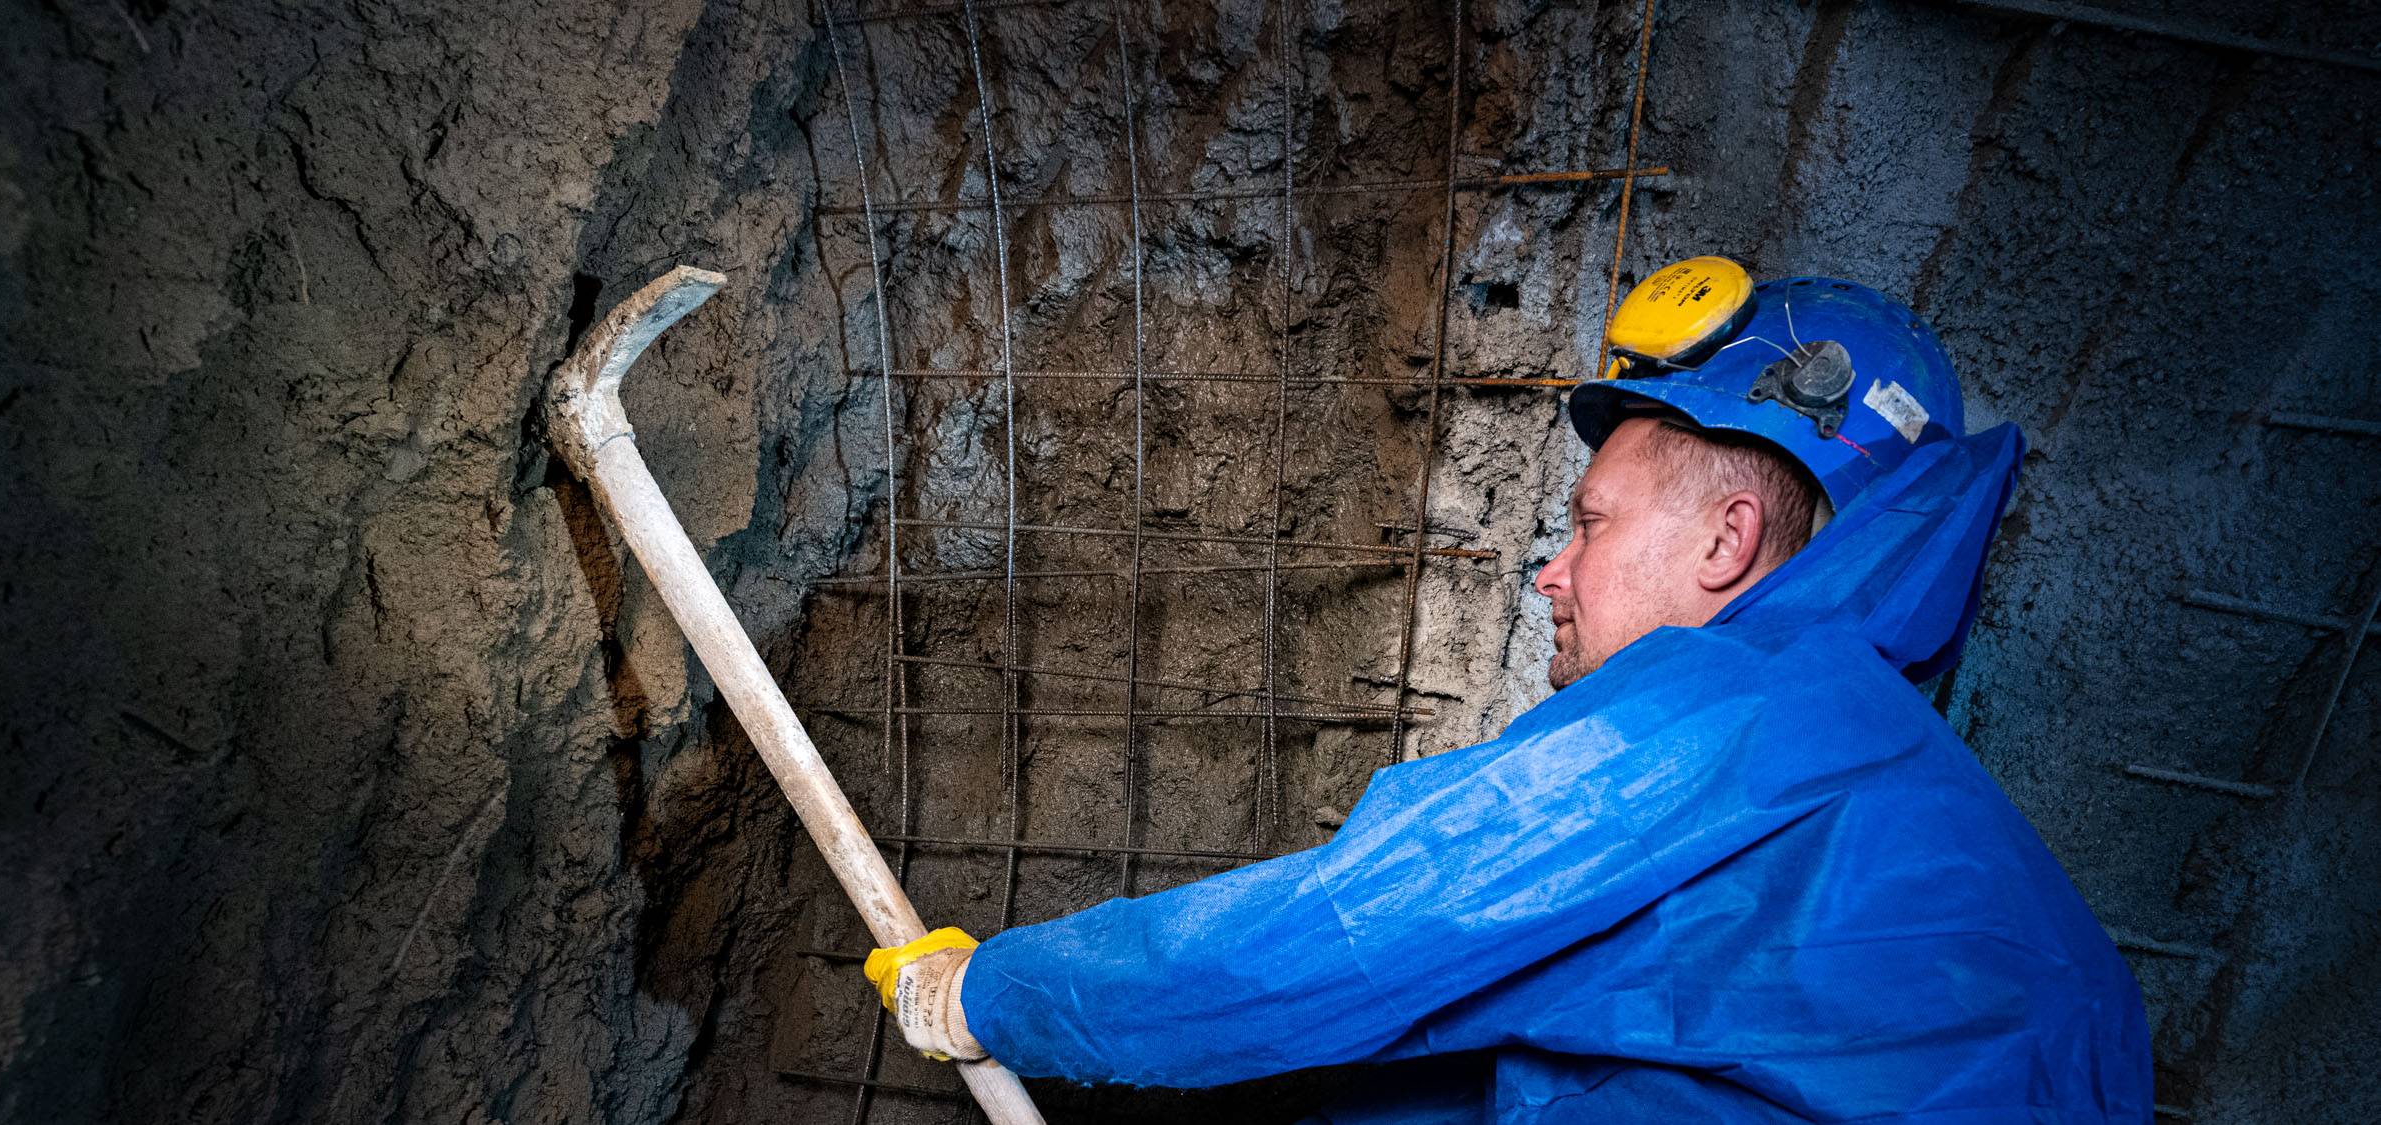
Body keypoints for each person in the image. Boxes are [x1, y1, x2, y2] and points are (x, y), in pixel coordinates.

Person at [863, 258, 2154, 1122]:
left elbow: (1342, 935)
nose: (1551, 570)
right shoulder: (1972, 867)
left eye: (1591, 523)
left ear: (1728, 541)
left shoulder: (1725, 722)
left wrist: (987, 995)